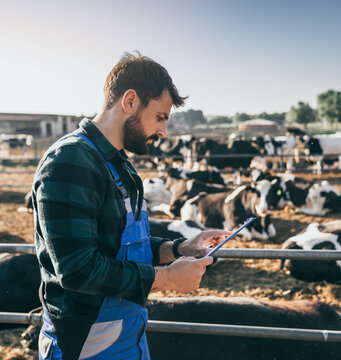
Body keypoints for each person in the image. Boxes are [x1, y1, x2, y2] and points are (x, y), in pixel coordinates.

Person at [32, 52, 231, 360]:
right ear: (130, 102)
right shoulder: (70, 161)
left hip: (128, 335)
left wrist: (178, 249)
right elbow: (77, 270)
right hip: (84, 344)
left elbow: (121, 245)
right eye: (160, 117)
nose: (163, 132)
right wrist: (165, 279)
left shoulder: (118, 163)